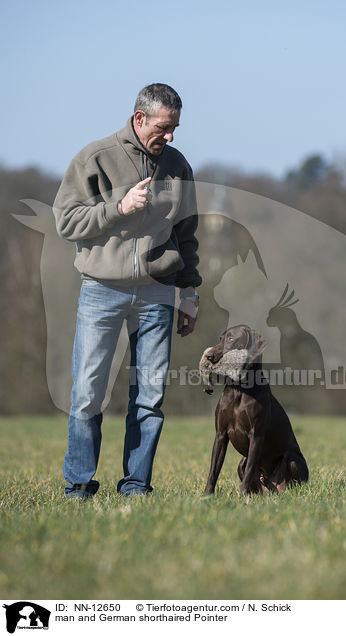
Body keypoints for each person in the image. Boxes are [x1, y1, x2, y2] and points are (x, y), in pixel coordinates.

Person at [53, 83, 201, 499]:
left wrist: (189, 294)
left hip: (158, 292)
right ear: (139, 119)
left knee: (150, 400)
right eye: (163, 127)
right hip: (101, 290)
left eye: (174, 127)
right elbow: (66, 222)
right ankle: (78, 486)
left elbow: (187, 235)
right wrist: (117, 209)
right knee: (87, 395)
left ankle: (136, 487)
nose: (170, 136)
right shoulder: (94, 158)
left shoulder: (178, 166)